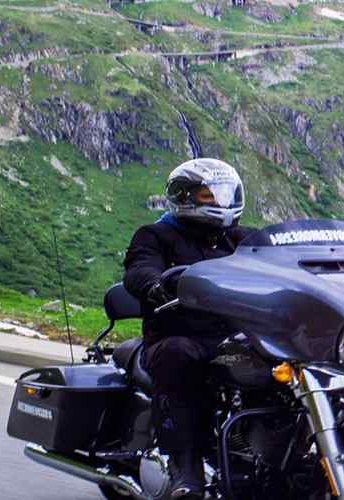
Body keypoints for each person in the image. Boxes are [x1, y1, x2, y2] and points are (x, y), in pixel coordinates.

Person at [123, 158, 255, 500]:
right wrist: (156, 284)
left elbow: (285, 261)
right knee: (179, 356)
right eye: (209, 195)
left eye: (226, 194)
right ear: (185, 197)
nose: (221, 202)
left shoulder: (247, 239)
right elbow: (140, 269)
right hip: (177, 334)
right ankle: (186, 467)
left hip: (235, 337)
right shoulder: (156, 235)